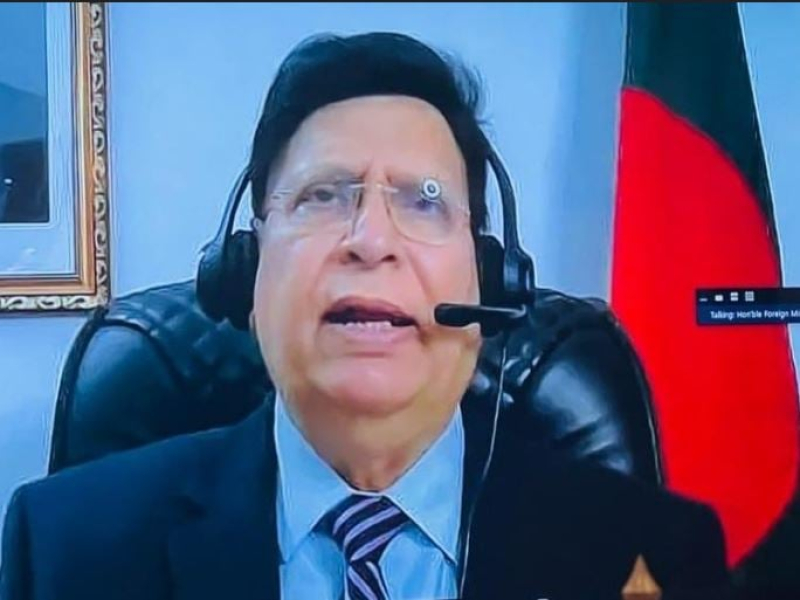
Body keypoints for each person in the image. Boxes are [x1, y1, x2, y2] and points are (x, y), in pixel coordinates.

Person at [0, 32, 729, 600]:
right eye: (323, 195)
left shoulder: (656, 550)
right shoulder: (65, 549)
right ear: (246, 273)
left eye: (424, 201)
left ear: (489, 278)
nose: (371, 240)